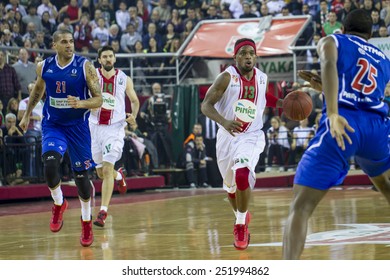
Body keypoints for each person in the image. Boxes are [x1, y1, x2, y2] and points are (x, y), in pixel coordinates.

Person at [282, 9, 390, 259]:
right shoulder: (383, 59)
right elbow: (364, 90)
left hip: (343, 123)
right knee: (384, 184)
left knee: (301, 206)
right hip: (376, 128)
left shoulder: (332, 40)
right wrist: (323, 86)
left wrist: (331, 112)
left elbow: (329, 64)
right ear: (370, 34)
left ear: (342, 28)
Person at [19, 29, 103, 247]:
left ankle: (86, 222)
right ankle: (59, 204)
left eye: (71, 41)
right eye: (64, 42)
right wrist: (27, 114)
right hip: (53, 124)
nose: (69, 45)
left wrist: (81, 103)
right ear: (54, 45)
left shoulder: (85, 66)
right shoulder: (44, 66)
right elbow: (38, 89)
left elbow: (99, 100)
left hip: (78, 128)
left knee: (83, 180)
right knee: (50, 165)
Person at [201, 38, 283, 250]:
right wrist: (224, 122)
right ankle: (241, 214)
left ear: (256, 57)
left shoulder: (263, 78)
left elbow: (264, 98)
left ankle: (240, 225)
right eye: (243, 53)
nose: (248, 56)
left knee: (242, 173)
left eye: (251, 53)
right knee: (230, 187)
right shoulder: (226, 78)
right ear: (235, 57)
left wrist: (285, 103)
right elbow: (206, 106)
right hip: (227, 135)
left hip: (252, 135)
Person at [90, 45, 140, 228]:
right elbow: (82, 95)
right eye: (105, 56)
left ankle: (102, 211)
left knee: (107, 166)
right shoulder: (92, 75)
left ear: (115, 58)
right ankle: (119, 177)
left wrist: (133, 115)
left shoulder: (124, 78)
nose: (108, 59)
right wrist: (89, 105)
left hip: (115, 128)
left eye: (111, 56)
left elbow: (134, 100)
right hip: (94, 127)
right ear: (99, 60)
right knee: (100, 172)